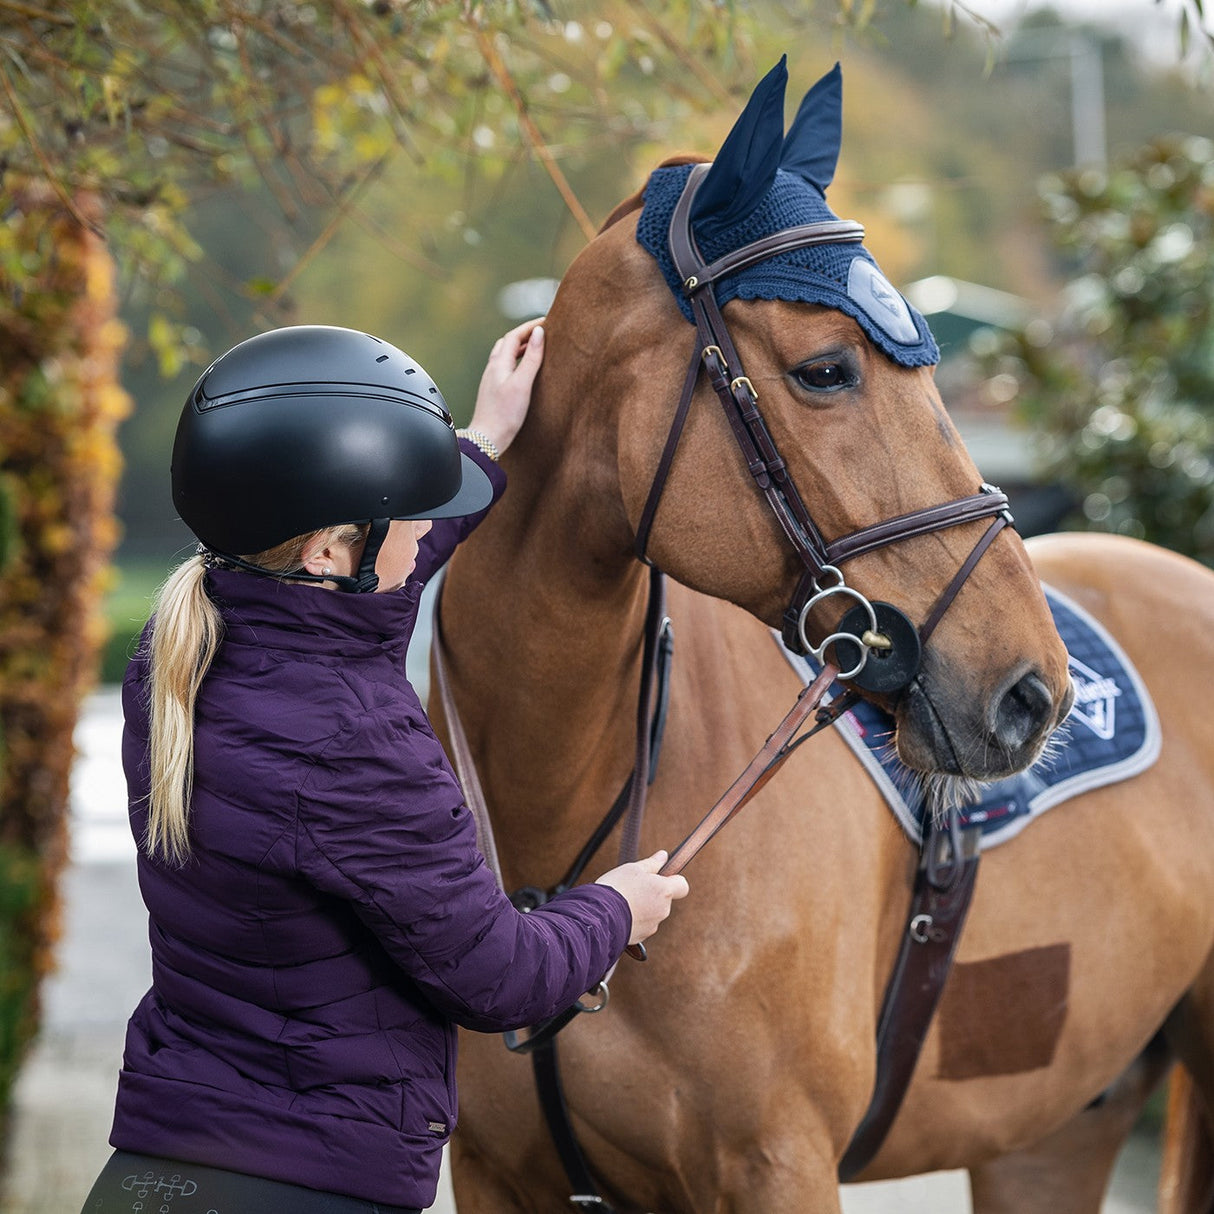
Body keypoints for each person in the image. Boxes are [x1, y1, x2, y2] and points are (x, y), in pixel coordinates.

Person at [81, 321, 689, 1214]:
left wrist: (483, 440)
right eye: (417, 513)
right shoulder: (353, 740)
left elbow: (367, 596)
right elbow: (498, 975)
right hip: (308, 1188)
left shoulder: (179, 652)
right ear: (331, 548)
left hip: (159, 1168)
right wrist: (616, 908)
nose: (428, 533)